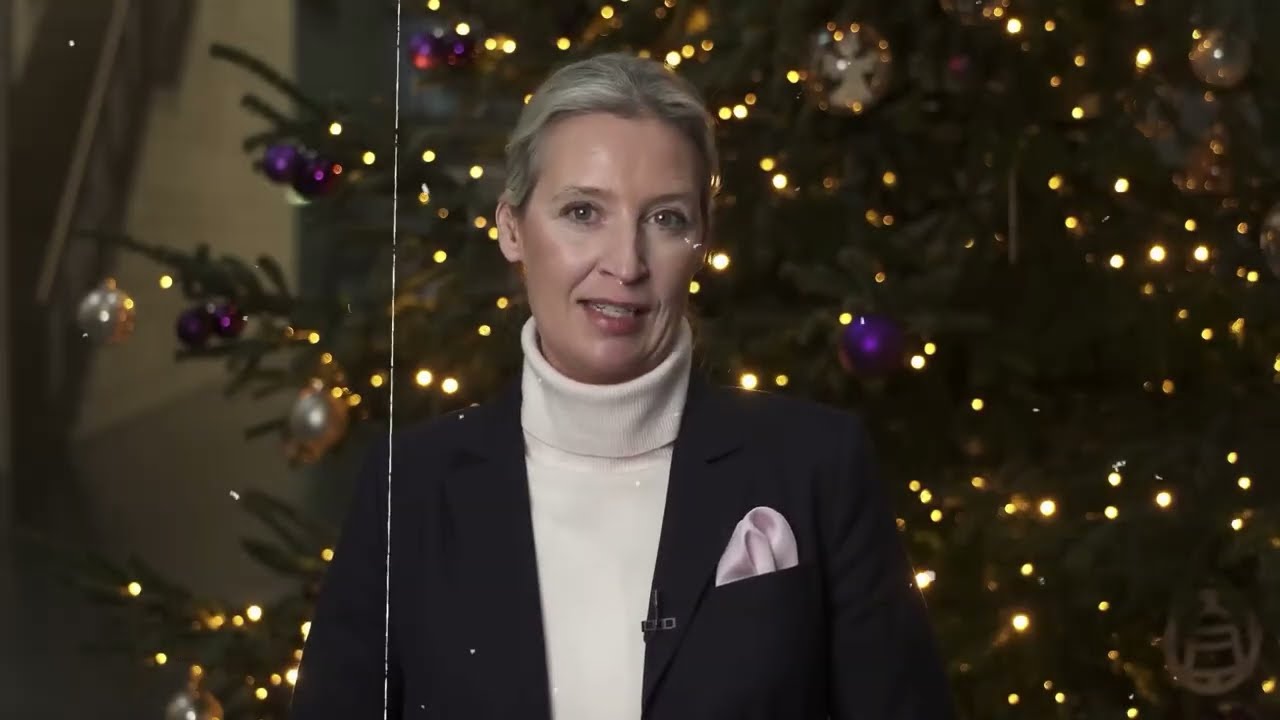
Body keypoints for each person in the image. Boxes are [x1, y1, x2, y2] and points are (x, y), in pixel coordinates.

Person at [289, 52, 954, 720]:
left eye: (665, 219)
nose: (626, 264)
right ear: (512, 228)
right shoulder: (409, 487)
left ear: (702, 239)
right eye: (583, 212)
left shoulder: (816, 467)